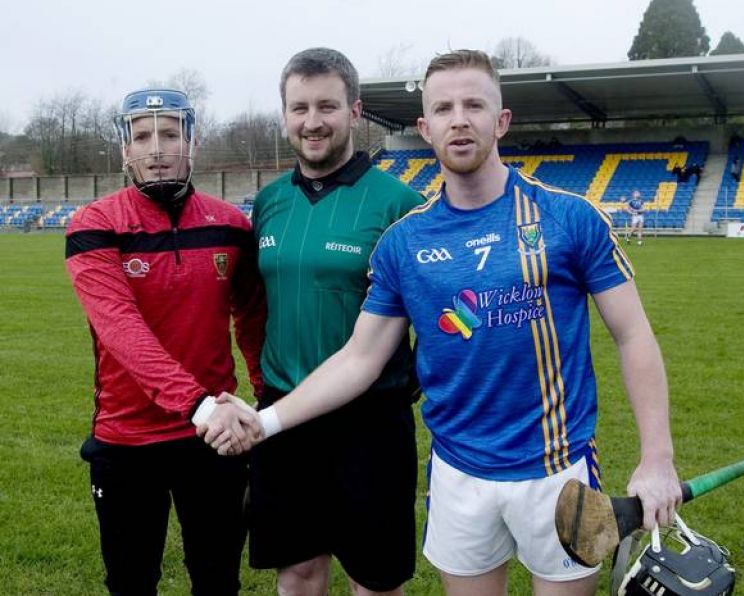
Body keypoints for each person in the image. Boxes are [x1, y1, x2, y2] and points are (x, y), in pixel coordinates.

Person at [200, 49, 681, 596]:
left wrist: (657, 458)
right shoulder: (404, 240)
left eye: (474, 104)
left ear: (501, 120)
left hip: (557, 470)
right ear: (425, 128)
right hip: (457, 473)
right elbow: (359, 358)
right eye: (444, 108)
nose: (460, 119)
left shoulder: (569, 218)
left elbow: (633, 334)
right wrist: (263, 423)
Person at [239, 48, 425, 596]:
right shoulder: (270, 202)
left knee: (374, 579)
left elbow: (435, 316)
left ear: (355, 111)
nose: (312, 121)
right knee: (297, 570)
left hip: (370, 424)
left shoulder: (400, 204)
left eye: (327, 106)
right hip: (284, 415)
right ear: (284, 116)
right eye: (299, 108)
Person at [66, 88, 266, 596]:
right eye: (143, 136)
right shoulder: (95, 223)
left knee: (218, 579)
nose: (157, 148)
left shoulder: (231, 224)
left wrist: (268, 397)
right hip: (129, 438)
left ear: (192, 143)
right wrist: (197, 405)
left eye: (170, 133)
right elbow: (120, 328)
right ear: (125, 150)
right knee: (132, 582)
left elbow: (252, 319)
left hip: (214, 437)